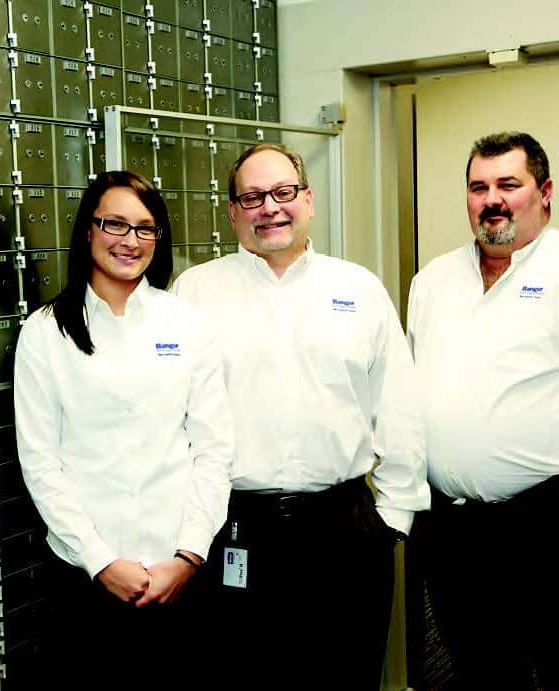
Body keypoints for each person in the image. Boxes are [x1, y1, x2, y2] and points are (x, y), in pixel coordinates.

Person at [171, 143, 428, 689]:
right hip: (234, 529)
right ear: (233, 212)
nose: (271, 207)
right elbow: (171, 415)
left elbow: (399, 407)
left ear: (308, 200)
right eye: (253, 197)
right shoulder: (194, 293)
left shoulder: (357, 288)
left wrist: (394, 520)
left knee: (344, 675)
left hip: (344, 531)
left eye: (284, 192)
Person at [407, 131, 559, 690]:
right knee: (480, 669)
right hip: (453, 529)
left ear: (544, 191)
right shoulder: (432, 281)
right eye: (478, 186)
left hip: (549, 522)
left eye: (509, 183)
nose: (492, 199)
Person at [12, 170, 233, 687]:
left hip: (178, 576)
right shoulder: (46, 333)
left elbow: (213, 450)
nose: (130, 241)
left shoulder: (186, 323)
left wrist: (188, 555)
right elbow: (41, 462)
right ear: (88, 231)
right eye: (115, 224)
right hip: (85, 582)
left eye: (145, 228)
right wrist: (101, 561)